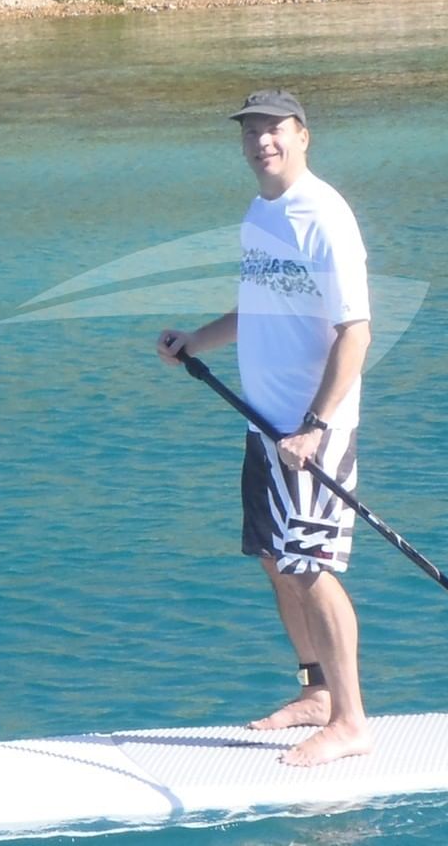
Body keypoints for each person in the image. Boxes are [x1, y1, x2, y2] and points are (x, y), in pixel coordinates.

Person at [156, 89, 374, 767]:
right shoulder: (261, 215)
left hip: (312, 436)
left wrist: (315, 425)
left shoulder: (326, 217)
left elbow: (356, 334)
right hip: (263, 426)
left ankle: (350, 720)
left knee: (310, 568)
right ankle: (314, 693)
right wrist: (197, 339)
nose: (262, 142)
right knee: (276, 562)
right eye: (251, 132)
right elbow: (257, 309)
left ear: (303, 135)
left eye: (275, 129)